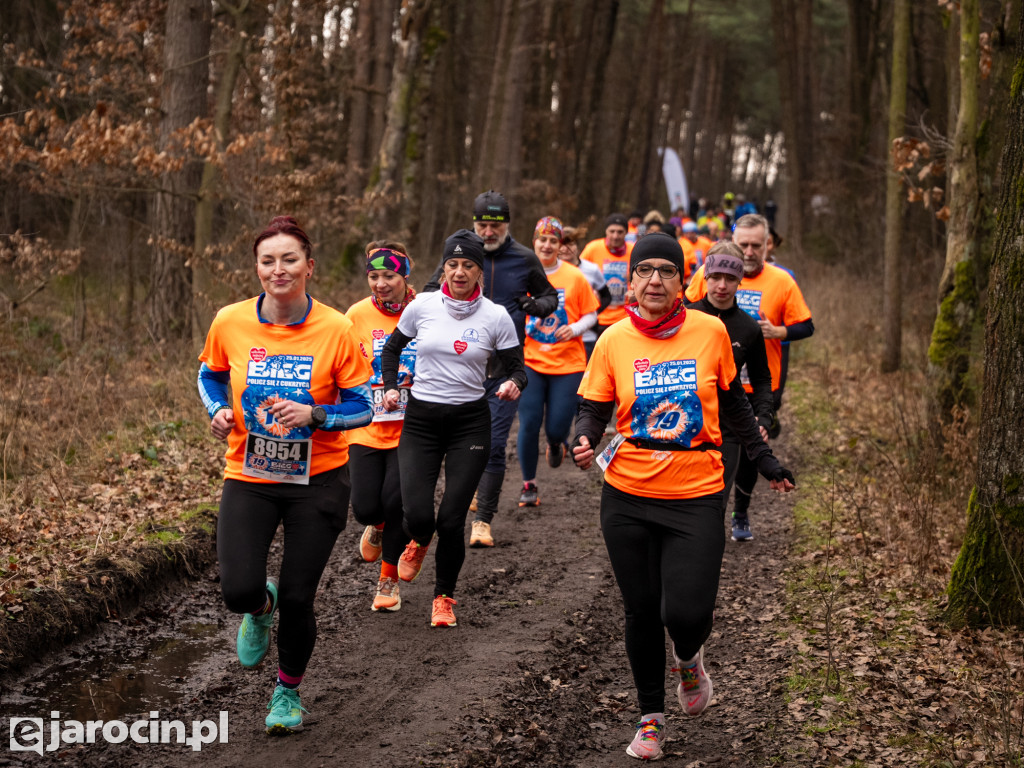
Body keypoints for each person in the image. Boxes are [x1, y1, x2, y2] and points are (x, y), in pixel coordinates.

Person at [570, 232, 795, 761]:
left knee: (686, 613)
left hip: (696, 490)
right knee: (641, 610)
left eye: (665, 271)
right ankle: (651, 718)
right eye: (644, 270)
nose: (653, 280)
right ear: (630, 279)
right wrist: (583, 436)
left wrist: (764, 462)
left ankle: (690, 658)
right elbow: (593, 407)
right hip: (626, 491)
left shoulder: (710, 331)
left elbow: (735, 406)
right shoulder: (612, 340)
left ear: (680, 280)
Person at [197, 216, 373, 734]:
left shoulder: (338, 329)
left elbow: (364, 406)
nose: (278, 269)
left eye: (289, 259)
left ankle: (288, 692)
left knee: (301, 596)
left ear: (309, 267)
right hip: (249, 473)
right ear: (257, 268)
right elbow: (209, 372)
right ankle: (260, 605)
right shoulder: (229, 321)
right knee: (237, 589)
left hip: (319, 479)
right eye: (268, 260)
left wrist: (316, 415)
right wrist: (216, 410)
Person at [381, 229, 527, 627]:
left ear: (480, 271)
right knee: (418, 515)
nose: (459, 272)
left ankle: (443, 598)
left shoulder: (496, 316)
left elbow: (517, 367)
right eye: (453, 264)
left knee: (451, 519)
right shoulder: (422, 306)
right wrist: (392, 387)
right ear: (443, 267)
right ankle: (418, 540)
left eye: (468, 265)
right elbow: (392, 349)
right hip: (422, 422)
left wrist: (513, 383)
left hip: (469, 424)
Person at [423, 190, 557, 548]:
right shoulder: (460, 257)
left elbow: (550, 297)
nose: (487, 232)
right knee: (457, 444)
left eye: (495, 226)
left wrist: (533, 305)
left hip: (504, 367)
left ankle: (482, 519)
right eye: (482, 224)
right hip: (458, 367)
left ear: (507, 225)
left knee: (495, 444)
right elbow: (428, 292)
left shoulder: (524, 259)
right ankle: (467, 491)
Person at [685, 213, 813, 541]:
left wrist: (780, 332)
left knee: (741, 460)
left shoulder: (776, 287)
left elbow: (804, 327)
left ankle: (738, 510)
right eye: (744, 244)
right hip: (697, 402)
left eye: (757, 245)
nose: (722, 284)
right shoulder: (695, 305)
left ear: (768, 244)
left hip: (744, 395)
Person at [345, 241, 418, 612]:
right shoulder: (355, 315)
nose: (381, 283)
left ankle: (388, 580)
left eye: (389, 275)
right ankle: (375, 525)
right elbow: (340, 361)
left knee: (396, 502)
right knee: (364, 507)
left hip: (413, 427)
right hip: (367, 425)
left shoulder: (426, 312)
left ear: (405, 275)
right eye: (374, 276)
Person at [685, 242, 774, 528]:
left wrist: (764, 416)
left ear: (740, 281)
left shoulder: (748, 328)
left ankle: (704, 558)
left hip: (729, 428)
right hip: (685, 423)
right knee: (684, 501)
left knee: (715, 503)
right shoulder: (686, 317)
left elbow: (761, 378)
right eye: (715, 277)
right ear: (706, 277)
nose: (722, 285)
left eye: (730, 278)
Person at [516, 216, 599, 507]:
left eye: (554, 240)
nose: (548, 245)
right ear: (534, 242)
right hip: (530, 361)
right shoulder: (521, 274)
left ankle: (555, 443)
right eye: (542, 239)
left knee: (556, 427)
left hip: (568, 363)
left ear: (560, 244)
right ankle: (529, 485)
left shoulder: (574, 277)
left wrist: (574, 329)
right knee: (528, 422)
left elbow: (592, 314)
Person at [558, 224, 612, 359]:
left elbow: (607, 296)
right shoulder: (548, 271)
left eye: (570, 244)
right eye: (561, 245)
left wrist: (592, 313)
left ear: (577, 247)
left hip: (587, 336)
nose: (565, 249)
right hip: (558, 335)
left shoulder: (591, 269)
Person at [580, 213, 634, 338]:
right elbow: (577, 273)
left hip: (624, 316)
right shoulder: (593, 248)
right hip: (598, 315)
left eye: (620, 232)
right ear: (606, 231)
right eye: (612, 231)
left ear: (626, 232)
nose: (615, 236)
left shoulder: (634, 250)